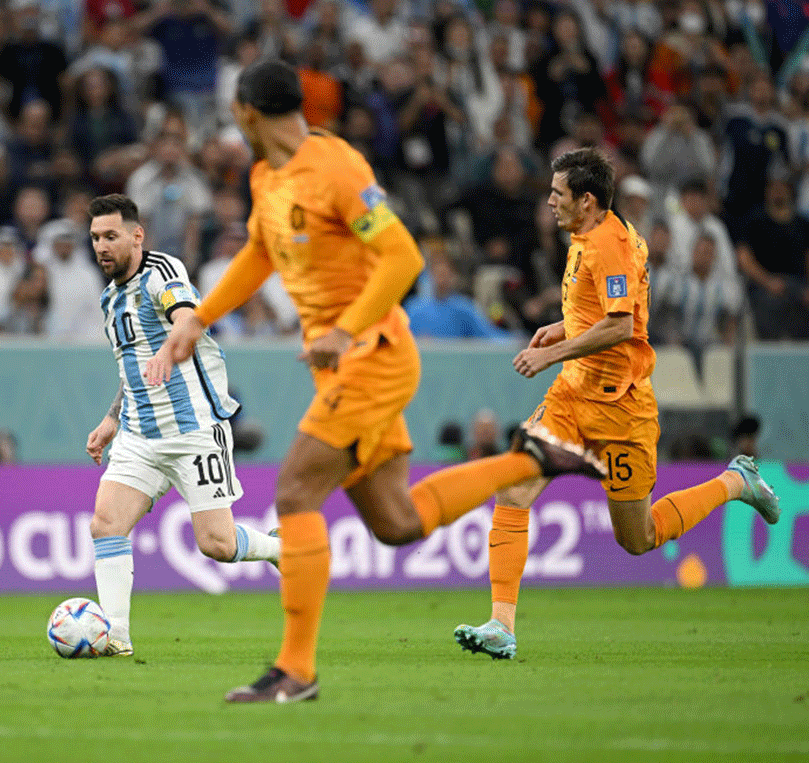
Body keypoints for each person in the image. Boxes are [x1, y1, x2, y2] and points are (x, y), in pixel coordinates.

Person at [150, 60, 607, 704]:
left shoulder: (338, 169)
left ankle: (296, 670)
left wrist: (345, 329)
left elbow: (403, 257)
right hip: (346, 365)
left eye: (234, 111)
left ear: (248, 112)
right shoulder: (264, 176)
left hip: (374, 354)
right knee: (396, 522)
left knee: (295, 493)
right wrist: (198, 319)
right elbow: (259, 251)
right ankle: (525, 460)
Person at [451, 149, 780, 661]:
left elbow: (622, 326)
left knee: (639, 537)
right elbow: (610, 310)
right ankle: (501, 625)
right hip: (571, 397)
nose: (550, 200)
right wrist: (561, 328)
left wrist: (552, 352)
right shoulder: (594, 234)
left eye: (558, 193)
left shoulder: (610, 245)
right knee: (514, 491)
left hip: (622, 409)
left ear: (586, 200)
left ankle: (735, 482)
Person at [83, 193, 281, 658]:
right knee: (105, 524)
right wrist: (112, 420)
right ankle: (116, 637)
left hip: (193, 430)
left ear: (137, 236)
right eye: (94, 238)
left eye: (110, 236)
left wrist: (169, 346)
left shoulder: (163, 272)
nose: (101, 247)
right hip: (138, 435)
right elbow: (128, 367)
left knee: (217, 543)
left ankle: (279, 551)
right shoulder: (110, 299)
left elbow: (188, 319)